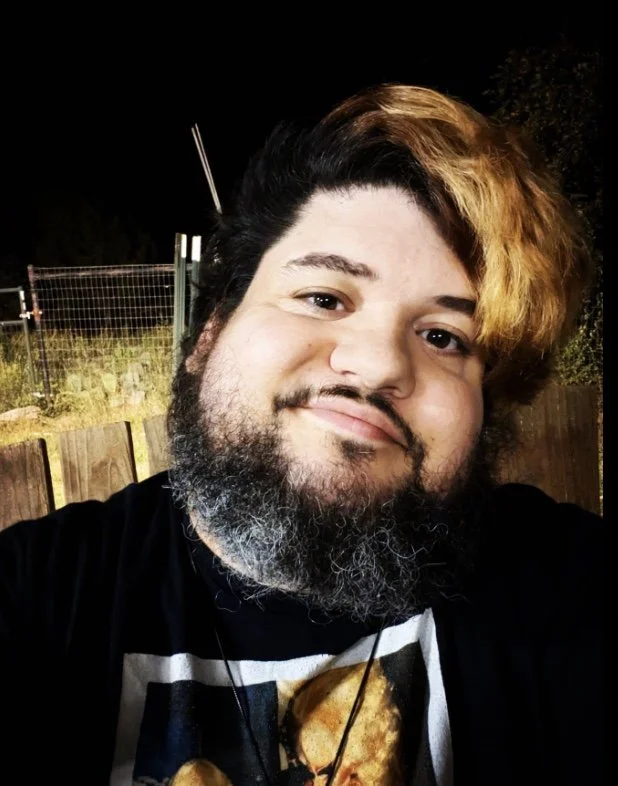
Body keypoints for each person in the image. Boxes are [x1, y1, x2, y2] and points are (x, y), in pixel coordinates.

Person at [0, 84, 605, 786]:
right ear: (210, 333)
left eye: (444, 336)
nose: (379, 363)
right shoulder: (37, 601)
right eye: (323, 297)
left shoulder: (569, 598)